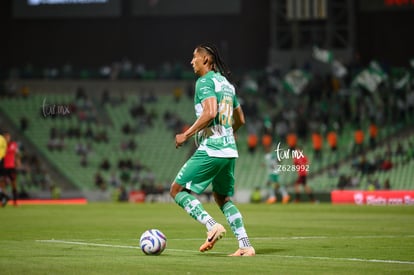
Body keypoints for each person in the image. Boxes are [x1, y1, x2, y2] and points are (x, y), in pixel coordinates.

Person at [169, 43, 255, 256]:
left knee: (177, 190)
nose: (191, 62)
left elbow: (210, 112)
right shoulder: (227, 84)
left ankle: (211, 225)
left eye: (194, 57)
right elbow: (241, 120)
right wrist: (228, 133)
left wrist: (186, 134)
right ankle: (245, 245)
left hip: (212, 149)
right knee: (222, 198)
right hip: (229, 151)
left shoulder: (204, 82)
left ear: (206, 60)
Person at [1, 132, 20, 206]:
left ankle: (15, 201)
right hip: (3, 167)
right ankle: (4, 200)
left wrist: (18, 161)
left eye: (8, 137)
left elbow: (17, 153)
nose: (7, 138)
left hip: (11, 167)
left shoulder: (13, 145)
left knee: (14, 184)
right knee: (2, 184)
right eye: (5, 137)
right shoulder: (2, 146)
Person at [0, 132, 8, 207]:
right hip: (2, 162)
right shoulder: (3, 140)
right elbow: (4, 152)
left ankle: (4, 198)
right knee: (2, 184)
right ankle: (4, 198)